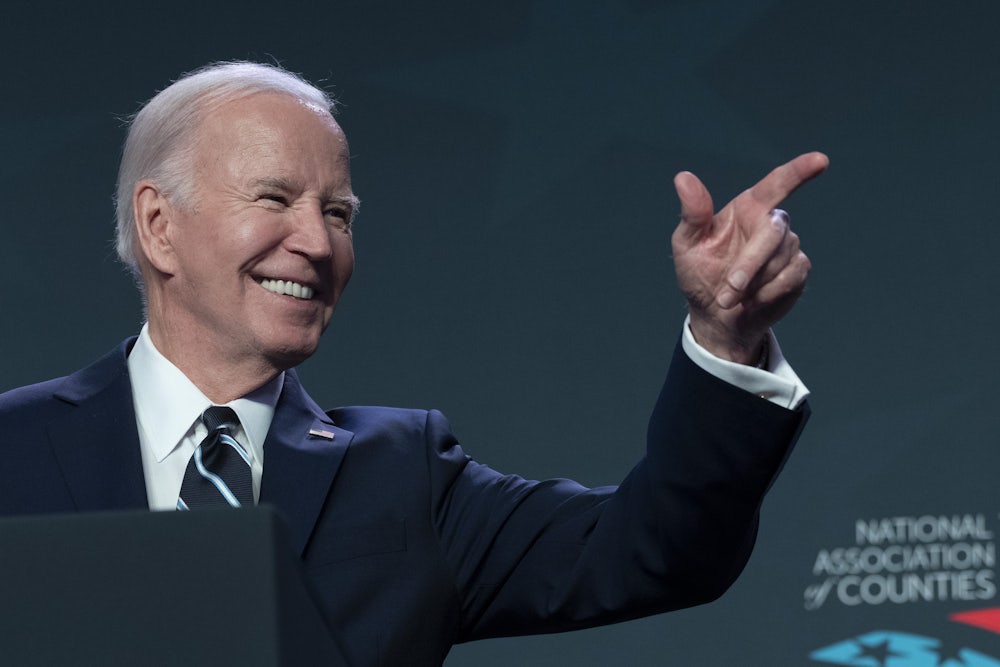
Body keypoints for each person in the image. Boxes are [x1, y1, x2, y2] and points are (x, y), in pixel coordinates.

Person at [0, 61, 826, 665]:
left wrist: (723, 338)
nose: (319, 243)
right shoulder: (15, 449)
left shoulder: (403, 476)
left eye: (338, 212)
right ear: (158, 225)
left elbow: (655, 547)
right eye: (275, 198)